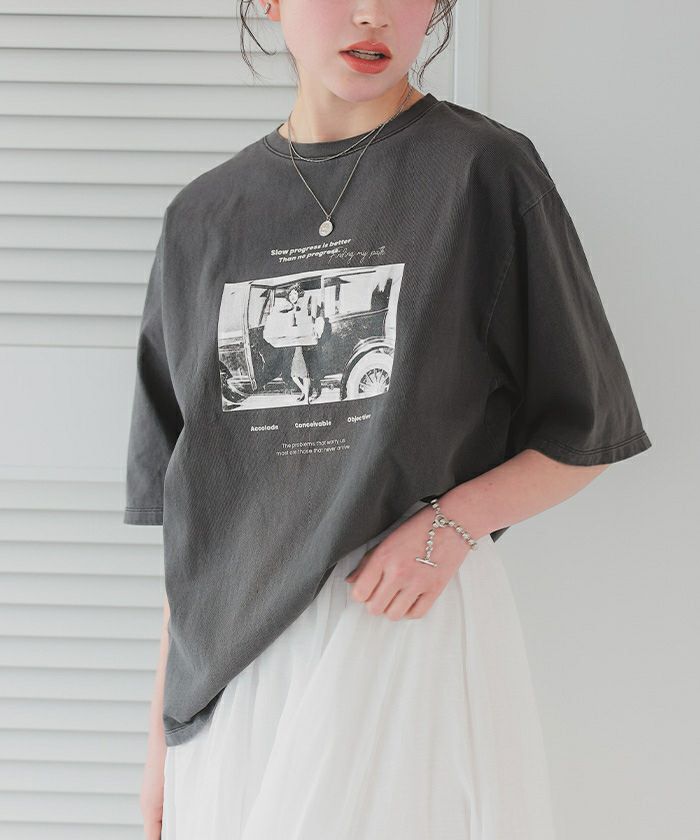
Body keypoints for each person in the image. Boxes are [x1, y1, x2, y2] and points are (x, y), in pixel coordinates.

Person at [123, 1, 653, 838]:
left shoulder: (483, 173)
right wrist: (161, 744)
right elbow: (198, 518)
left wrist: (451, 525)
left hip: (400, 630)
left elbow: (587, 430)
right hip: (234, 682)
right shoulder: (201, 219)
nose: (372, 14)